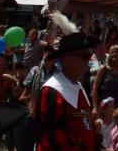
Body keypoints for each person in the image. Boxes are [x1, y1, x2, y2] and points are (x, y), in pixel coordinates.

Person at [34, 12, 101, 151]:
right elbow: (51, 139)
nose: (87, 62)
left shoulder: (77, 85)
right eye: (84, 57)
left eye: (89, 57)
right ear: (67, 60)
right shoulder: (52, 90)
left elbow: (79, 122)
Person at [92, 45, 118, 114]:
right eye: (112, 52)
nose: (114, 54)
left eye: (117, 52)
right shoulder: (103, 69)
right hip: (104, 105)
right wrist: (95, 107)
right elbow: (95, 89)